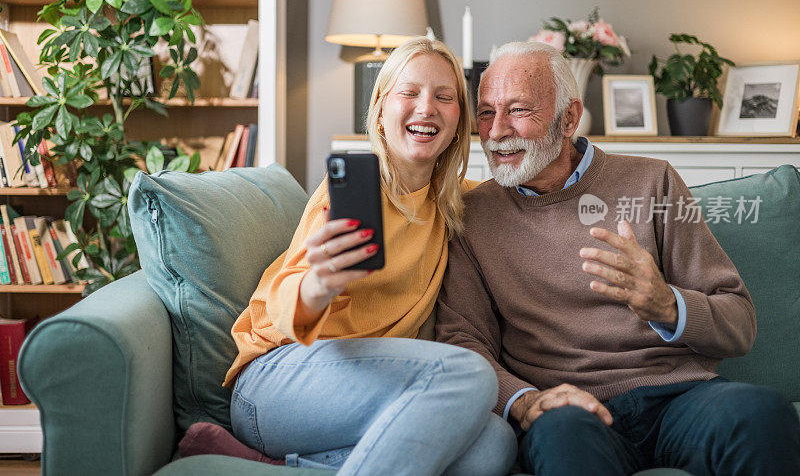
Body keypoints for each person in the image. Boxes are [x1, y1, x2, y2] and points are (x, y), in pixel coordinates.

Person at [435, 40, 800, 476]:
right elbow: (462, 340)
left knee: (760, 413)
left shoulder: (654, 181)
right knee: (561, 437)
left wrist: (668, 304)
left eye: (518, 110)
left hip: (680, 397)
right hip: (570, 410)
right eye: (487, 112)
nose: (495, 132)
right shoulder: (471, 214)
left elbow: (739, 325)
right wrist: (527, 400)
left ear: (568, 117)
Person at [201, 37, 517, 476]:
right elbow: (287, 303)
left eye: (445, 97)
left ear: (459, 119)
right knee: (469, 375)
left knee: (494, 446)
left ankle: (284, 465)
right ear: (381, 109)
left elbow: (532, 206)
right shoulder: (350, 194)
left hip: (363, 394)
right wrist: (317, 286)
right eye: (409, 92)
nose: (427, 107)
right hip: (277, 380)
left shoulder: (456, 205)